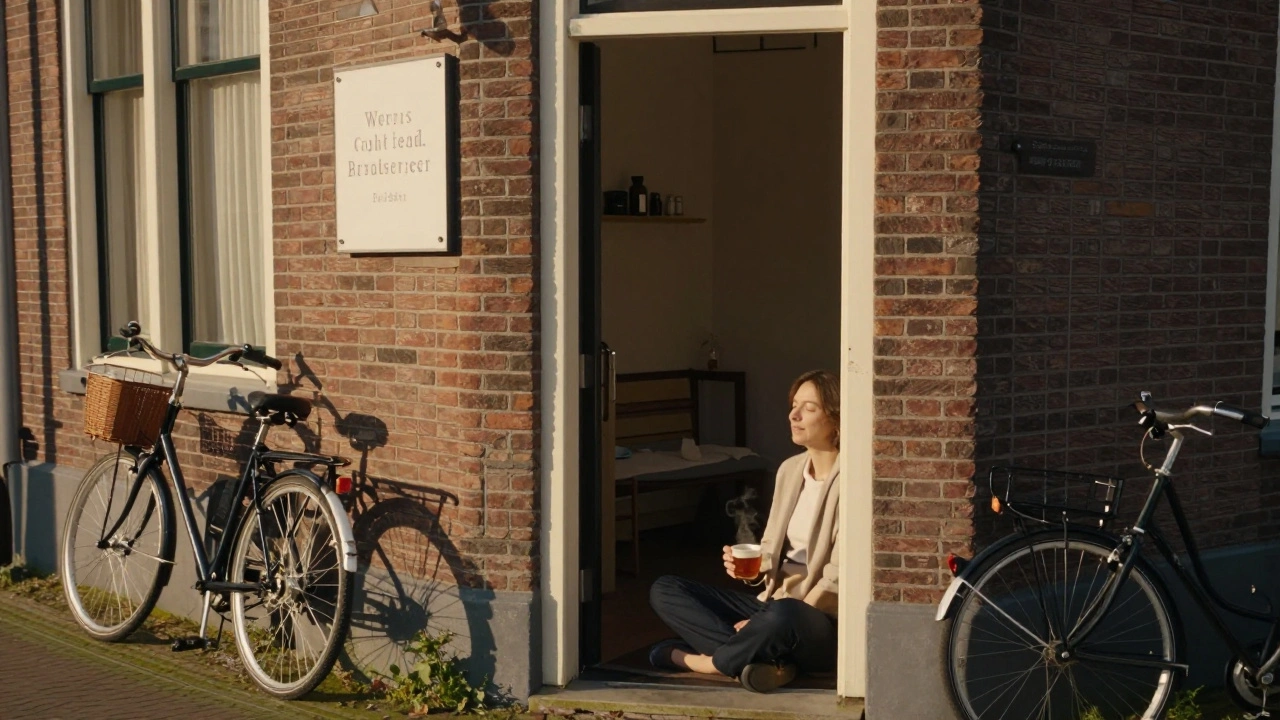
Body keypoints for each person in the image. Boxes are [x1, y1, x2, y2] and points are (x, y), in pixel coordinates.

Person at [647, 369, 840, 693]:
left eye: (809, 407)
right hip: (770, 604)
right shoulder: (790, 470)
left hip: (816, 618)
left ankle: (708, 663)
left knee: (783, 615)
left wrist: (764, 623)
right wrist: (750, 574)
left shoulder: (853, 479)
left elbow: (837, 576)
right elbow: (770, 549)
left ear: (835, 417)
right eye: (794, 405)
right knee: (666, 589)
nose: (793, 415)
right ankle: (770, 663)